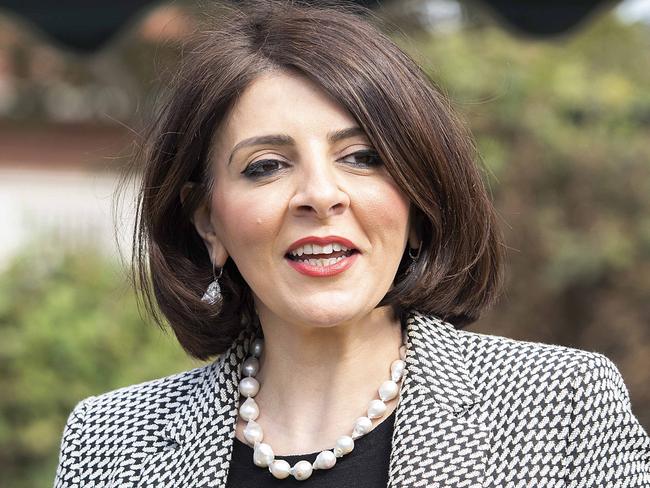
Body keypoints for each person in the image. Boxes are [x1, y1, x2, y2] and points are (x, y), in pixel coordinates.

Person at [54, 1, 650, 486]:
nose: (320, 194)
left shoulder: (560, 408)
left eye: (361, 158)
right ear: (208, 222)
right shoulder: (112, 442)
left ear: (419, 200)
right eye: (265, 166)